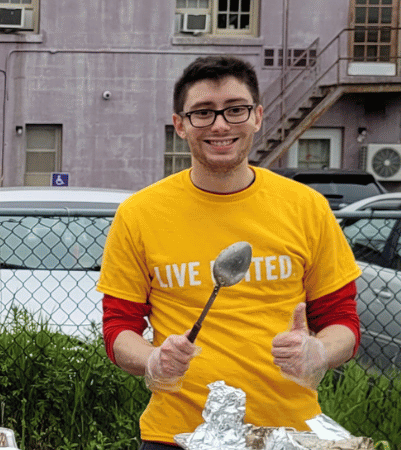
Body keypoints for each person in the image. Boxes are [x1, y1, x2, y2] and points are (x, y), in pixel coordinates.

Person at [97, 55, 363, 450]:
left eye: (235, 110)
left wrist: (319, 353)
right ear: (180, 125)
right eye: (202, 113)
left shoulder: (306, 207)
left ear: (257, 116)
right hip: (176, 436)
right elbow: (118, 329)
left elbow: (344, 320)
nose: (220, 125)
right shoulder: (139, 214)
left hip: (288, 435)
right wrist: (153, 360)